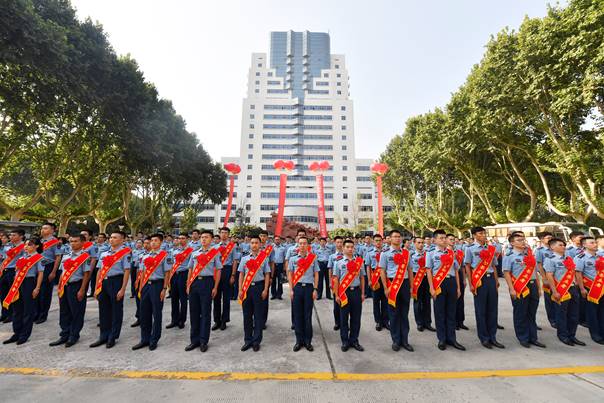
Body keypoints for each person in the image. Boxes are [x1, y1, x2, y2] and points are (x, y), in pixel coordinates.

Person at [502, 233, 545, 348]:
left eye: (523, 239)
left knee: (532, 313)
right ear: (512, 243)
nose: (522, 242)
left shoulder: (530, 255)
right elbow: (506, 273)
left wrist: (539, 287)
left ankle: (533, 337)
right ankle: (523, 337)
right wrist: (511, 289)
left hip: (533, 286)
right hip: (519, 287)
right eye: (519, 240)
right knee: (521, 313)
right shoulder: (509, 256)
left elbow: (535, 272)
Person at [90, 231, 132, 349]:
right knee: (103, 310)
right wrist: (97, 287)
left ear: (122, 239)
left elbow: (127, 271)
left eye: (115, 237)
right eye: (111, 237)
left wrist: (123, 289)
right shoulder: (104, 253)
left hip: (116, 281)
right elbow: (99, 270)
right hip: (104, 282)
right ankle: (103, 335)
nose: (111, 239)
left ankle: (113, 336)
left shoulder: (125, 253)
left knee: (116, 310)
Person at [49, 234, 92, 347]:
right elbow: (62, 273)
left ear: (83, 243)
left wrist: (82, 290)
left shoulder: (85, 257)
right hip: (64, 286)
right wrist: (60, 286)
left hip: (76, 286)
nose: (73, 243)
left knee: (76, 311)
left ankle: (74, 335)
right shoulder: (66, 256)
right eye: (71, 241)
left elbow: (86, 274)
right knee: (64, 311)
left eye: (76, 241)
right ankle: (64, 334)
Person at [464, 227, 504, 349]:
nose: (483, 235)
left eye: (484, 233)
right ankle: (484, 338)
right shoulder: (470, 249)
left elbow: (494, 265)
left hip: (491, 278)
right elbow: (468, 266)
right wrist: (471, 283)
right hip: (479, 280)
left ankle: (493, 337)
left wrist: (496, 281)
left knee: (493, 309)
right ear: (474, 235)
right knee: (481, 310)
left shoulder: (491, 248)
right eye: (480, 233)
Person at [426, 229, 465, 351]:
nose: (444, 240)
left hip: (452, 283)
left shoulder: (451, 253)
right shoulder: (431, 253)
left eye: (445, 238)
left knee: (451, 312)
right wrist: (431, 288)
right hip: (439, 284)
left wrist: (458, 287)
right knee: (440, 313)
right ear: (435, 240)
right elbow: (429, 271)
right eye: (441, 238)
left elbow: (456, 271)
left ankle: (452, 339)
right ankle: (442, 339)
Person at [132, 233, 173, 351]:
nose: (153, 242)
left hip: (157, 285)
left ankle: (154, 339)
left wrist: (165, 289)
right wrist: (140, 287)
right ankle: (144, 338)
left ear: (160, 243)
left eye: (156, 240)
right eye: (152, 241)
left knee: (156, 312)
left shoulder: (165, 255)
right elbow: (142, 272)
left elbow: (167, 273)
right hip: (145, 285)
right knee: (144, 312)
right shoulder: (145, 256)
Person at [2, 238, 45, 345]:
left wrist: (37, 288)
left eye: (29, 245)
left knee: (28, 310)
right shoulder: (22, 257)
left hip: (29, 283)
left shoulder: (39, 258)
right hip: (17, 283)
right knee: (17, 309)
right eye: (25, 244)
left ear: (37, 246)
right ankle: (16, 333)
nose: (26, 246)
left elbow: (40, 273)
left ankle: (24, 335)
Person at [186, 230, 222, 352]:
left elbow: (218, 270)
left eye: (206, 237)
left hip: (207, 283)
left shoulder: (215, 253)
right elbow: (190, 269)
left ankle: (203, 341)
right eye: (202, 237)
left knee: (205, 313)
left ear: (211, 239)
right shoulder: (194, 253)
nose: (203, 239)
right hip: (194, 283)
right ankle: (194, 340)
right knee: (194, 312)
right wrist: (188, 284)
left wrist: (215, 287)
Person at [545, 238, 584, 346]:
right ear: (552, 247)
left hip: (572, 288)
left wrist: (576, 283)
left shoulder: (568, 258)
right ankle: (563, 336)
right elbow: (549, 275)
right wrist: (554, 291)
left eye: (564, 245)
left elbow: (573, 272)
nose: (563, 247)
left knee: (574, 314)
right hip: (561, 290)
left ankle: (572, 335)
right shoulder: (550, 259)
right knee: (561, 314)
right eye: (560, 245)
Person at [379, 230, 414, 352]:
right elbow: (382, 271)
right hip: (391, 284)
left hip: (404, 284)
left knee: (404, 314)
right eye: (395, 236)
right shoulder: (385, 254)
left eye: (399, 236)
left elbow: (410, 270)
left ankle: (405, 340)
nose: (398, 239)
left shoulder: (406, 253)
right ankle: (396, 340)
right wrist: (385, 287)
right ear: (390, 238)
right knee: (393, 314)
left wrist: (411, 286)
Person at [237, 235, 270, 352]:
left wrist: (265, 289)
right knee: (247, 316)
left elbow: (267, 274)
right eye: (252, 242)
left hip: (259, 288)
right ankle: (247, 340)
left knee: (258, 316)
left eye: (256, 242)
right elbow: (241, 274)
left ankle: (256, 341)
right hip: (247, 289)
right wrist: (240, 289)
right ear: (249, 244)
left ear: (260, 244)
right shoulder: (244, 259)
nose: (254, 245)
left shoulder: (264, 258)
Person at [288, 236, 320, 351]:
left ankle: (308, 341)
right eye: (300, 243)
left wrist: (315, 289)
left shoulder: (313, 258)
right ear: (298, 244)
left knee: (307, 316)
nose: (302, 245)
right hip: (297, 288)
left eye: (304, 243)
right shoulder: (292, 259)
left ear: (308, 245)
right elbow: (290, 275)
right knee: (297, 316)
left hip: (309, 289)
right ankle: (298, 341)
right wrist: (291, 289)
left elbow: (316, 274)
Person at [333, 239, 365, 352]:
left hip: (356, 292)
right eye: (347, 247)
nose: (350, 249)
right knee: (344, 318)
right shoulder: (338, 262)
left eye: (352, 247)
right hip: (344, 293)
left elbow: (362, 278)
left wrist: (362, 293)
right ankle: (345, 341)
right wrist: (336, 295)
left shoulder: (360, 262)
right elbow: (336, 279)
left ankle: (354, 340)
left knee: (356, 318)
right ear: (343, 248)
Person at [574, 236, 604, 344]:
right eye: (592, 243)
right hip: (589, 288)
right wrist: (582, 289)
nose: (595, 244)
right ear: (584, 245)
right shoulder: (580, 257)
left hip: (601, 288)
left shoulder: (600, 257)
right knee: (592, 313)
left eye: (595, 242)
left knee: (602, 312)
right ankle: (596, 335)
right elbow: (578, 273)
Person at [212, 227, 240, 331]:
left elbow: (235, 261)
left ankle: (224, 320)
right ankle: (217, 320)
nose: (224, 234)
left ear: (228, 234)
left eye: (226, 233)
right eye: (222, 232)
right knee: (216, 297)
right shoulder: (214, 247)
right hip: (216, 272)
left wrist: (233, 275)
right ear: (219, 233)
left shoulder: (232, 246)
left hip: (227, 271)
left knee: (226, 298)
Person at [36, 222, 63, 324]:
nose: (43, 230)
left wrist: (53, 272)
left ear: (52, 230)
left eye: (46, 228)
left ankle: (43, 315)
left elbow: (58, 257)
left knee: (44, 292)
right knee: (36, 291)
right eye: (42, 228)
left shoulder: (56, 242)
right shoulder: (39, 241)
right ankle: (36, 313)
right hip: (37, 267)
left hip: (48, 267)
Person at [166, 234, 193, 330]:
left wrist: (189, 280)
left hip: (184, 274)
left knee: (183, 299)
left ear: (187, 239)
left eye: (183, 238)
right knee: (174, 298)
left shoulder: (191, 251)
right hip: (174, 275)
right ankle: (174, 320)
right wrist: (169, 277)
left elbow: (191, 267)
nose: (181, 240)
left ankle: (182, 320)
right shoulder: (173, 251)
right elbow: (170, 264)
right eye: (179, 238)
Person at [0, 229, 25, 324]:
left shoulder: (24, 247)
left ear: (21, 236)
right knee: (3, 293)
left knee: (12, 294)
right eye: (10, 235)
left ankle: (12, 315)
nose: (11, 237)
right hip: (5, 271)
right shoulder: (8, 246)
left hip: (14, 272)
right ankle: (4, 314)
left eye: (14, 235)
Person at [410, 237, 434, 332]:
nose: (421, 244)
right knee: (417, 302)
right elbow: (410, 270)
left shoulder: (428, 254)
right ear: (414, 243)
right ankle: (419, 323)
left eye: (422, 242)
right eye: (419, 242)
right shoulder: (411, 255)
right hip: (416, 278)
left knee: (427, 301)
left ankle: (428, 323)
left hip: (426, 278)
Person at [366, 234, 388, 331]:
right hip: (375, 278)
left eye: (380, 240)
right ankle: (378, 321)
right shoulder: (369, 253)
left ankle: (385, 321)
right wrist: (369, 280)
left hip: (385, 278)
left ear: (382, 241)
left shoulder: (387, 252)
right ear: (373, 242)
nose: (378, 242)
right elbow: (368, 266)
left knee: (385, 300)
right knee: (376, 301)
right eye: (376, 240)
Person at [536, 231, 556, 328]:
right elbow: (539, 265)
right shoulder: (540, 251)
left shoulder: (555, 248)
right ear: (542, 240)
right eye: (548, 238)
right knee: (549, 299)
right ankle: (552, 319)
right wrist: (544, 278)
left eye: (551, 237)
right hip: (547, 276)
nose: (550, 239)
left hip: (557, 277)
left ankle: (558, 317)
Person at [327, 236, 344, 331]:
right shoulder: (332, 257)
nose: (339, 244)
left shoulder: (348, 256)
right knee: (336, 304)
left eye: (341, 242)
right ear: (335, 243)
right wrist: (330, 281)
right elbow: (330, 269)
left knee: (345, 304)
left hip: (345, 282)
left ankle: (344, 322)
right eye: (338, 242)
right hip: (336, 282)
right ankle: (337, 322)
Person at [270, 235, 287, 300]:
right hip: (273, 265)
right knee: (273, 280)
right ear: (274, 240)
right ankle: (273, 294)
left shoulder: (283, 248)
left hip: (280, 265)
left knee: (280, 281)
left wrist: (284, 267)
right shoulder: (271, 248)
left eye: (278, 239)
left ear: (280, 240)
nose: (277, 240)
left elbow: (285, 258)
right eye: (276, 239)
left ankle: (279, 294)